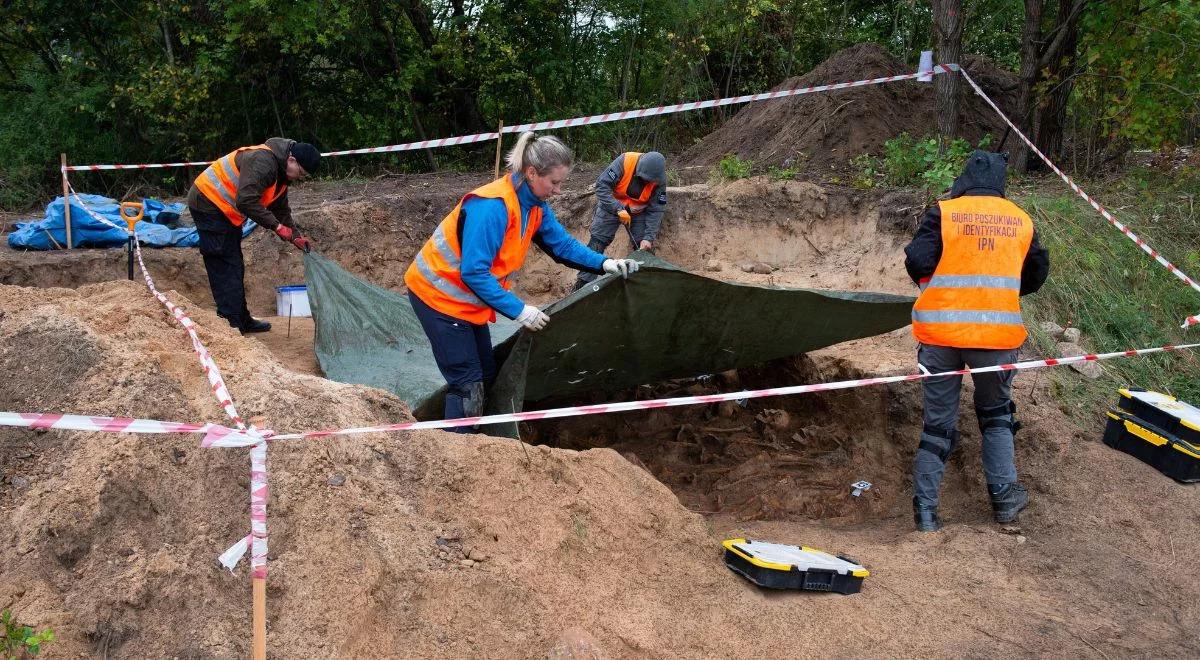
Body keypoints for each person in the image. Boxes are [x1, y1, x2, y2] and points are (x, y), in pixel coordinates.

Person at [405, 132, 640, 431]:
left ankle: (478, 437)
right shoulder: (492, 207)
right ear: (531, 173)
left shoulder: (534, 206)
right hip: (437, 298)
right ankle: (457, 454)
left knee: (487, 373)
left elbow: (563, 246)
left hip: (465, 301)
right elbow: (474, 273)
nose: (558, 190)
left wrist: (605, 263)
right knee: (467, 383)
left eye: (561, 183)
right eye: (554, 182)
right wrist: (520, 311)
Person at [903, 150, 1050, 532]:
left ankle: (925, 513)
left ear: (964, 179)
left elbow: (917, 259)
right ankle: (1003, 500)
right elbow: (1036, 274)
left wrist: (932, 288)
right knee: (997, 415)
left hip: (940, 335)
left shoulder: (944, 212)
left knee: (937, 424)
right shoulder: (1020, 220)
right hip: (996, 337)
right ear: (1001, 184)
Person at [187, 137, 319, 333]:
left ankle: (241, 319)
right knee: (224, 264)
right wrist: (276, 226)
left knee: (235, 263)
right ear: (291, 159)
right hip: (208, 202)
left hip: (225, 211)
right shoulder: (263, 162)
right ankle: (230, 325)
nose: (298, 177)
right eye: (300, 173)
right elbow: (246, 201)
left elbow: (281, 209)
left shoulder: (281, 173)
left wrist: (295, 236)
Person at [574, 151, 668, 291]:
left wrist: (648, 237)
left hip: (638, 211)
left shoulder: (658, 179)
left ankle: (645, 287)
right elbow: (601, 186)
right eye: (644, 179)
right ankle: (581, 286)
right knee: (597, 242)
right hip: (611, 205)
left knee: (643, 249)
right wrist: (619, 208)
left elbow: (656, 209)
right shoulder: (625, 161)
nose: (648, 183)